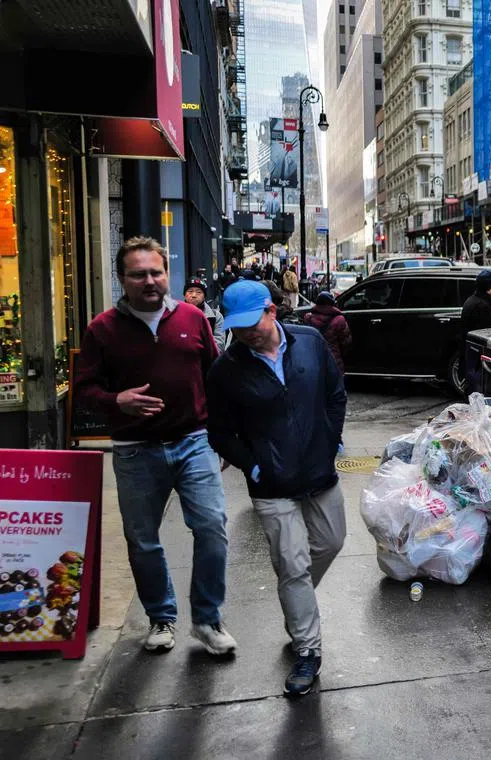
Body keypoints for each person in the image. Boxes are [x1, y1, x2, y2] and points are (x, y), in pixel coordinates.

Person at [73, 236, 236, 656]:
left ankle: (206, 618)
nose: (150, 280)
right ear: (122, 279)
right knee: (142, 538)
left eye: (156, 272)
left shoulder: (192, 318)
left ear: (167, 274)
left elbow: (215, 378)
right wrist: (117, 401)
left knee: (212, 528)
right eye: (139, 274)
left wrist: (221, 438)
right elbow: (84, 388)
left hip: (193, 442)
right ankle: (161, 617)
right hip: (134, 450)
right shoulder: (102, 329)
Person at [206, 280, 347, 698]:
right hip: (271, 485)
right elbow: (219, 432)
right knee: (293, 566)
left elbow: (335, 395)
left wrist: (331, 440)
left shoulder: (310, 342)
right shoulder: (227, 369)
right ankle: (307, 650)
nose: (245, 332)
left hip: (319, 472)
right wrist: (253, 466)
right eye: (237, 326)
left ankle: (295, 600)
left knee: (331, 543)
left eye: (252, 322)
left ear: (271, 310)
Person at [460, 269, 491, 390]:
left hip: (476, 361)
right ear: (489, 286)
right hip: (480, 363)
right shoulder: (481, 306)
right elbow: (489, 336)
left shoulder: (478, 301)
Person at [303, 292, 352, 374]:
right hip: (333, 361)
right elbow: (346, 342)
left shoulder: (308, 318)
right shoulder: (339, 320)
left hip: (314, 360)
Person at [183, 278, 226, 353]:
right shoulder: (175, 314)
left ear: (204, 296)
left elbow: (219, 345)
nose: (194, 295)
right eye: (190, 291)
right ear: (185, 295)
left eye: (199, 292)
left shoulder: (216, 317)